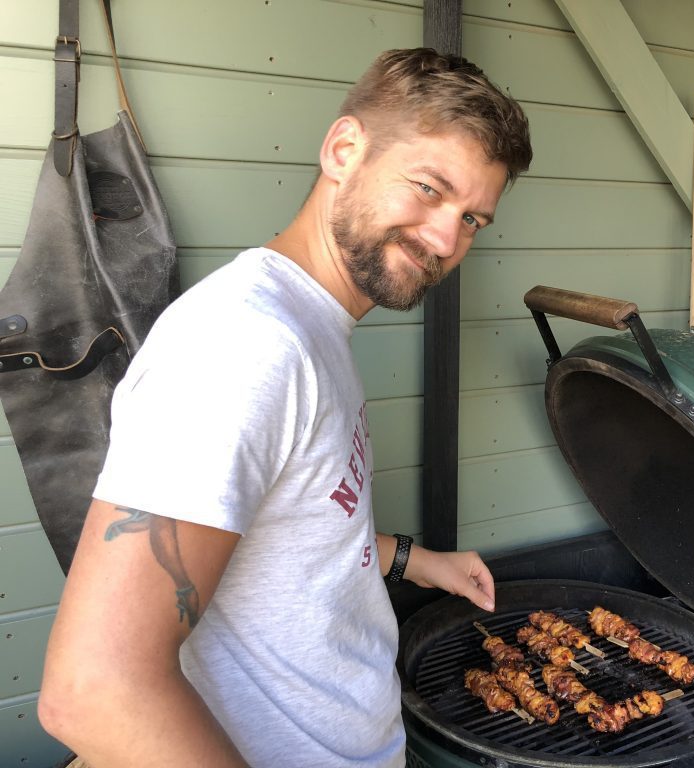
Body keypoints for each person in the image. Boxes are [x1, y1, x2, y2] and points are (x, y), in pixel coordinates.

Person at [38, 47, 533, 767]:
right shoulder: (247, 344)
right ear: (343, 150)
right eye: (429, 188)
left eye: (473, 220)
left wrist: (415, 562)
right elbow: (93, 691)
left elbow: (289, 524)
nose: (446, 239)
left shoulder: (309, 327)